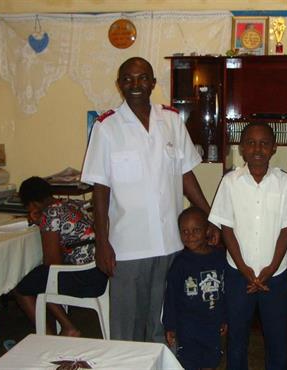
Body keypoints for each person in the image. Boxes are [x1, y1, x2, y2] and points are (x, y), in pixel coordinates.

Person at [81, 57, 216, 342]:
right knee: (127, 326)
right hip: (128, 247)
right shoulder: (106, 128)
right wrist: (102, 243)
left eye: (143, 78)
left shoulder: (170, 121)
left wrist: (209, 217)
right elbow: (100, 190)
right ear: (119, 85)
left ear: (153, 83)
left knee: (165, 321)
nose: (135, 84)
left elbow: (185, 176)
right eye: (128, 79)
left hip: (170, 244)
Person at [209, 122, 287, 370]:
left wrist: (272, 266)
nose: (257, 149)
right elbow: (227, 228)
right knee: (237, 339)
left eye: (264, 143)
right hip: (237, 275)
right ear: (242, 148)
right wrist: (243, 268)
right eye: (251, 143)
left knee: (277, 340)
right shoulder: (230, 182)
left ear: (274, 148)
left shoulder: (286, 184)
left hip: (273, 277)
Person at [14, 176, 108, 337]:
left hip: (85, 277)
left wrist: (43, 224)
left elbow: (52, 263)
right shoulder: (70, 204)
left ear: (33, 204)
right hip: (99, 270)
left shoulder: (50, 214)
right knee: (40, 278)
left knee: (21, 287)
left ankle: (58, 332)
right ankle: (63, 328)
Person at [163, 207, 227, 370]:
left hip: (212, 324)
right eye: (184, 231)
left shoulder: (220, 258)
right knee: (188, 361)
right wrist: (170, 325)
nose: (190, 236)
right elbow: (171, 296)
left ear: (207, 230)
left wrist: (225, 317)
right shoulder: (180, 264)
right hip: (187, 326)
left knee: (210, 360)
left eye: (196, 230)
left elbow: (226, 291)